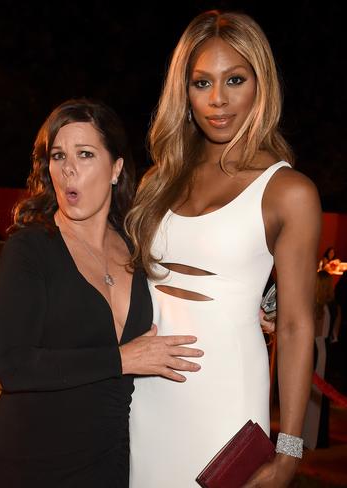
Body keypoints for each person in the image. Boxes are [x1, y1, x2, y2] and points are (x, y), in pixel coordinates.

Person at [126, 10, 321, 487]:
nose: (217, 100)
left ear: (261, 84)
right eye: (201, 83)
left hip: (225, 400)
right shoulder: (158, 182)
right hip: (143, 398)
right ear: (183, 91)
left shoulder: (288, 192)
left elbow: (296, 325)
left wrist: (289, 450)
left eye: (235, 79)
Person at [0, 98, 203, 488]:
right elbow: (15, 367)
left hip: (110, 455)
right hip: (33, 460)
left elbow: (183, 300)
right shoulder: (29, 249)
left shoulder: (138, 247)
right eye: (57, 155)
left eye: (85, 154)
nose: (68, 169)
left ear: (116, 168)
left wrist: (248, 313)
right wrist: (122, 358)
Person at [303, 270, 341, 449]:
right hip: (327, 350)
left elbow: (310, 334)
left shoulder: (317, 308)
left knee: (310, 394)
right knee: (320, 395)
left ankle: (308, 439)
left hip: (314, 349)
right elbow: (334, 335)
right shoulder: (335, 308)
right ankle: (317, 438)